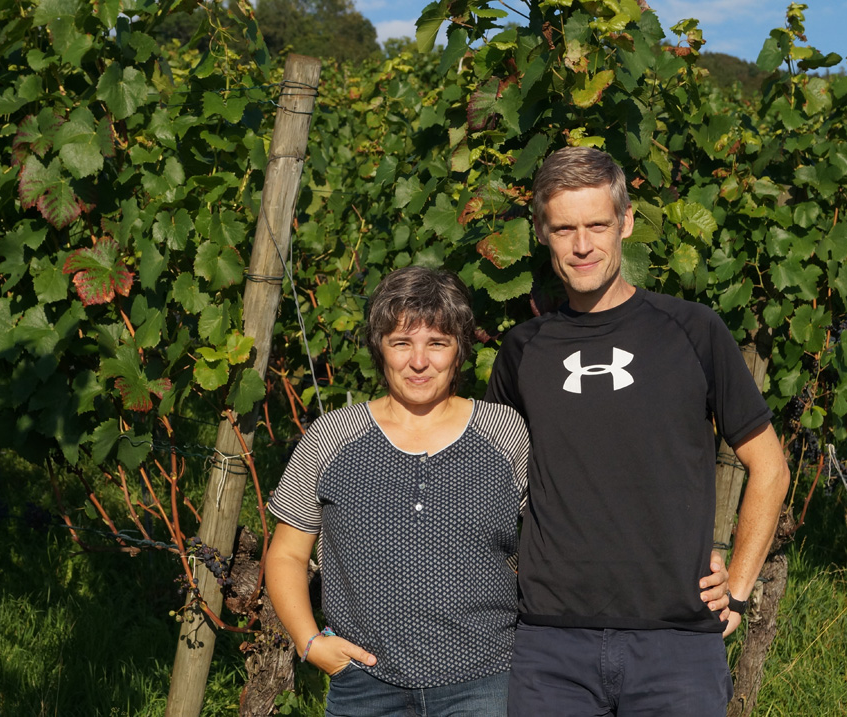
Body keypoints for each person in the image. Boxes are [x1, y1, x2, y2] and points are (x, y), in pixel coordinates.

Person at [265, 265, 732, 717]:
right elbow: (287, 554)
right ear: (379, 347)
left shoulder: (504, 433)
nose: (419, 361)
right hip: (365, 686)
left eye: (437, 343)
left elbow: (577, 513)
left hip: (483, 685)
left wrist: (684, 559)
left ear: (460, 350)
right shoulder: (332, 437)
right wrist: (311, 643)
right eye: (401, 342)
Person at [485, 146, 791, 716]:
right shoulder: (522, 351)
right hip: (550, 646)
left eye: (597, 225)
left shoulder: (693, 331)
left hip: (677, 644)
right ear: (542, 234)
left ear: (625, 222)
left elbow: (769, 467)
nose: (582, 246)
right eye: (564, 229)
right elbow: (488, 485)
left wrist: (740, 589)